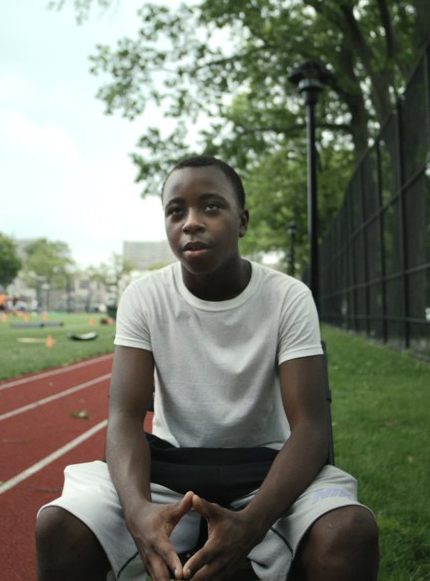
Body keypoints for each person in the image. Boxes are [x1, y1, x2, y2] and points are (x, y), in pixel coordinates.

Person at [35, 155, 379, 580]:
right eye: (176, 211)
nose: (191, 222)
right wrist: (139, 513)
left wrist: (252, 525)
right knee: (60, 524)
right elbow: (123, 416)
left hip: (266, 469)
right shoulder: (144, 297)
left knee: (349, 530)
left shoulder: (288, 297)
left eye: (211, 207)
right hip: (168, 467)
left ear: (242, 221)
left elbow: (310, 427)